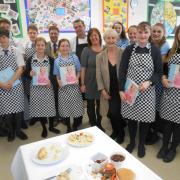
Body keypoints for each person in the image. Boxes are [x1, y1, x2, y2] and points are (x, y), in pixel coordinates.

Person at [119, 22, 163, 158]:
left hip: (147, 92)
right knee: (132, 119)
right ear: (136, 33)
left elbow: (159, 72)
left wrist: (149, 82)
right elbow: (122, 70)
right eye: (140, 32)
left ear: (149, 34)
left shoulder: (155, 50)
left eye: (146, 32)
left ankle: (141, 144)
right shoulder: (129, 49)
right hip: (131, 90)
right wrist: (121, 90)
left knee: (144, 121)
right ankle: (132, 142)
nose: (143, 35)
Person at [25, 37, 60, 138]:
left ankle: (51, 127)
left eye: (42, 45)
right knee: (39, 108)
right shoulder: (31, 59)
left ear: (45, 46)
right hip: (36, 88)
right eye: (38, 45)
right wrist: (29, 73)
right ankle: (44, 127)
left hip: (47, 87)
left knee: (50, 107)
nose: (40, 47)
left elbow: (54, 73)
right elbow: (26, 73)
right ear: (35, 46)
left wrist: (50, 80)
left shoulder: (50, 59)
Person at [96, 29, 125, 143]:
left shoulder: (123, 53)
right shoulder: (100, 56)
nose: (111, 40)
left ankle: (120, 133)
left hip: (121, 89)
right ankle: (115, 131)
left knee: (114, 112)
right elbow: (98, 75)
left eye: (113, 38)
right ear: (104, 40)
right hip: (108, 90)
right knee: (110, 112)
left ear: (117, 39)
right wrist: (102, 90)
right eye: (108, 38)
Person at [157, 25, 180, 163]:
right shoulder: (172, 51)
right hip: (170, 92)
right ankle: (164, 146)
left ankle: (173, 149)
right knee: (167, 123)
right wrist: (164, 78)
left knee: (178, 124)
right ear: (177, 35)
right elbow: (164, 70)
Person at [0, 28, 28, 141]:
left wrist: (11, 81)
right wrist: (2, 85)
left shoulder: (16, 51)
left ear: (8, 38)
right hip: (2, 87)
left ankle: (18, 131)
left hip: (16, 85)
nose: (1, 40)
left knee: (17, 111)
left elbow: (20, 68)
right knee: (7, 112)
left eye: (3, 37)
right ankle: (11, 131)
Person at [145, 23, 170, 145]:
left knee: (156, 109)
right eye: (154, 31)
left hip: (158, 81)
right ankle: (149, 131)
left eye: (159, 31)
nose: (155, 33)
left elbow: (160, 64)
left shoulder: (165, 45)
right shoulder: (149, 44)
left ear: (164, 33)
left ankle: (154, 134)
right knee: (149, 107)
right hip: (148, 79)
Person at [54, 39, 84, 132]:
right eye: (62, 46)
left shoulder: (74, 57)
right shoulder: (57, 61)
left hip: (74, 87)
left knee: (76, 108)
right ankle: (68, 127)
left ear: (69, 47)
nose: (65, 48)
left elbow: (79, 70)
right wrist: (58, 81)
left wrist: (77, 78)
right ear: (59, 48)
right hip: (63, 88)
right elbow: (57, 75)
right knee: (65, 109)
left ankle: (75, 125)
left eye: (67, 46)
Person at [80, 28, 104, 131]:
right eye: (91, 36)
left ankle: (99, 123)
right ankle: (93, 124)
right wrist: (82, 84)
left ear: (99, 36)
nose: (94, 37)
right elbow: (83, 68)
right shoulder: (86, 50)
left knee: (100, 104)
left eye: (95, 35)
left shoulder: (105, 49)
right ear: (89, 38)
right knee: (90, 104)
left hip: (102, 82)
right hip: (89, 81)